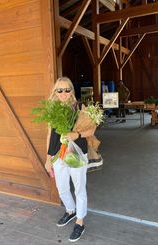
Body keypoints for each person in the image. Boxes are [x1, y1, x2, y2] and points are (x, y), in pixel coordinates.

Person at [45, 77, 91, 242]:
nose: (63, 93)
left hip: (76, 153)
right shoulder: (52, 109)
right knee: (62, 187)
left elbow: (91, 130)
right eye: (60, 90)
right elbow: (50, 135)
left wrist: (76, 134)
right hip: (59, 154)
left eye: (67, 90)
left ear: (72, 90)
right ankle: (70, 210)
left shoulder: (79, 108)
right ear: (55, 92)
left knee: (79, 188)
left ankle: (80, 221)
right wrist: (48, 158)